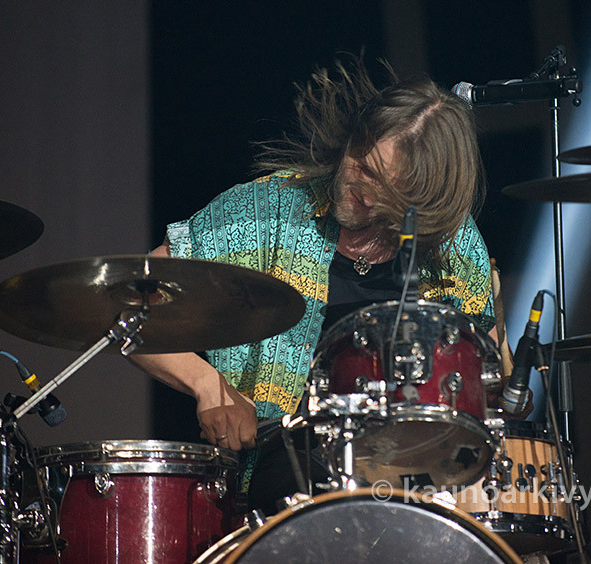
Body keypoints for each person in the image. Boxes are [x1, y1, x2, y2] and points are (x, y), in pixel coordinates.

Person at [130, 54, 527, 513]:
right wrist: (206, 384)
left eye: (385, 185)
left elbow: (489, 383)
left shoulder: (454, 246)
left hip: (423, 483)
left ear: (424, 199)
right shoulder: (268, 211)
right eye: (361, 162)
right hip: (287, 482)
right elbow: (130, 299)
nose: (360, 187)